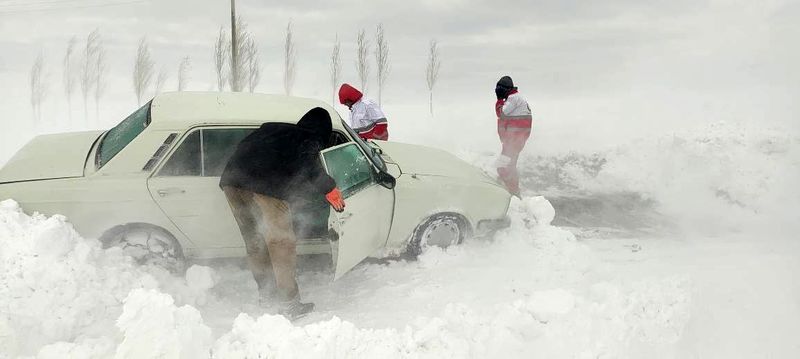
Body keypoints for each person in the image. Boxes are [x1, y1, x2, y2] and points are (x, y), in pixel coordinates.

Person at [219, 107, 346, 320]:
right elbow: (309, 165)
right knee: (281, 245)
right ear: (322, 131)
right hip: (264, 188)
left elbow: (246, 149)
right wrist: (329, 188)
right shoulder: (308, 138)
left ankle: (266, 296)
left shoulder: (273, 130)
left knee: (255, 241)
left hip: (231, 184)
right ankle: (290, 305)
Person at [494, 76, 532, 196]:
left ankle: (513, 192)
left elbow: (501, 113)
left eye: (499, 89)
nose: (497, 91)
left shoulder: (513, 99)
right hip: (514, 140)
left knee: (504, 166)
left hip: (514, 140)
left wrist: (499, 99)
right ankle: (508, 187)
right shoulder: (516, 98)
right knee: (506, 164)